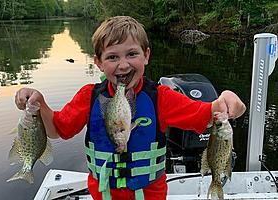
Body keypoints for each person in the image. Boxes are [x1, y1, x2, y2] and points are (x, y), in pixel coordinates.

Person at [15, 16, 246, 200]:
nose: (123, 65)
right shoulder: (89, 96)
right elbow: (57, 129)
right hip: (103, 195)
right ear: (98, 62)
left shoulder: (161, 98)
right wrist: (39, 104)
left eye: (132, 54)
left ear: (146, 56)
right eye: (112, 57)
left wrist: (225, 101)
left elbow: (206, 115)